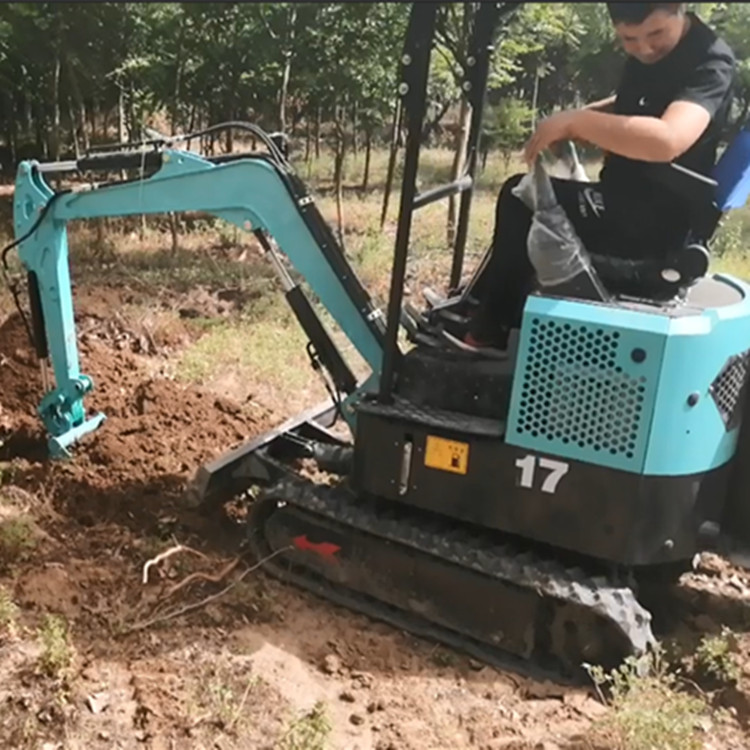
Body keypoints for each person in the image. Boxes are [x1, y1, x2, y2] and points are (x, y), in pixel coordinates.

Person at [465, 2, 736, 350]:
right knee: (522, 192)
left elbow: (669, 139)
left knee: (521, 197)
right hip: (628, 200)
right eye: (629, 39)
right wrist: (575, 118)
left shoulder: (710, 62)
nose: (644, 48)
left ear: (682, 9)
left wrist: (579, 123)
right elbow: (632, 103)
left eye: (656, 33)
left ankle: (489, 333)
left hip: (653, 223)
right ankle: (480, 306)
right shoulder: (656, 58)